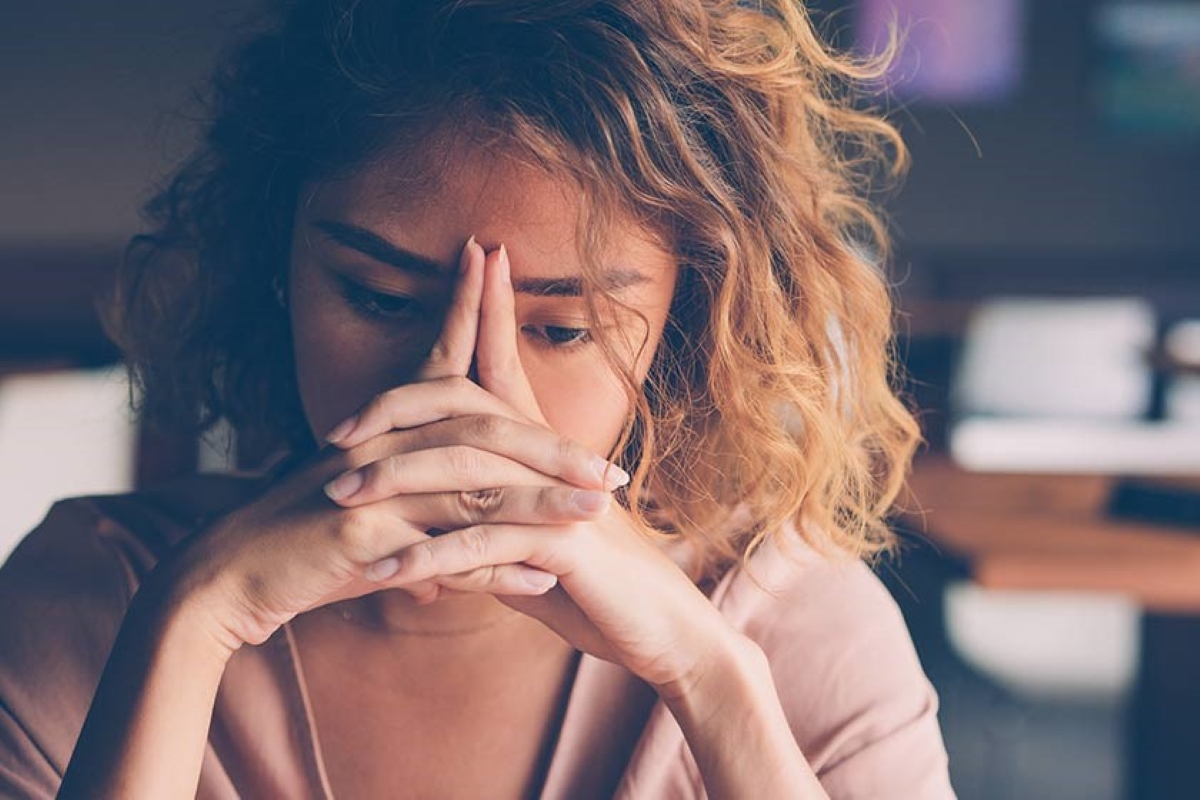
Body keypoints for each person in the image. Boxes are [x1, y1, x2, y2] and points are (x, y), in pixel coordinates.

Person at [0, 0, 954, 797]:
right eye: (377, 298)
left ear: (684, 324)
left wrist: (713, 682)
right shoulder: (93, 600)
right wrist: (195, 621)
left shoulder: (794, 628)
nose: (457, 398)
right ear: (277, 267)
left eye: (563, 328)